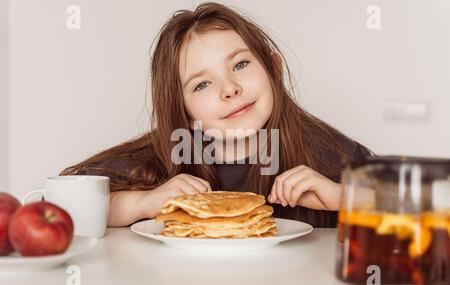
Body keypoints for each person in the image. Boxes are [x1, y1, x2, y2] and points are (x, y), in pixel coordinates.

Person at [60, 2, 374, 228]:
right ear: (182, 109)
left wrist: (343, 198)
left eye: (240, 65)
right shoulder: (160, 157)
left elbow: (417, 214)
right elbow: (63, 208)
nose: (229, 89)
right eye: (202, 84)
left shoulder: (326, 153)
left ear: (274, 69)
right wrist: (142, 203)